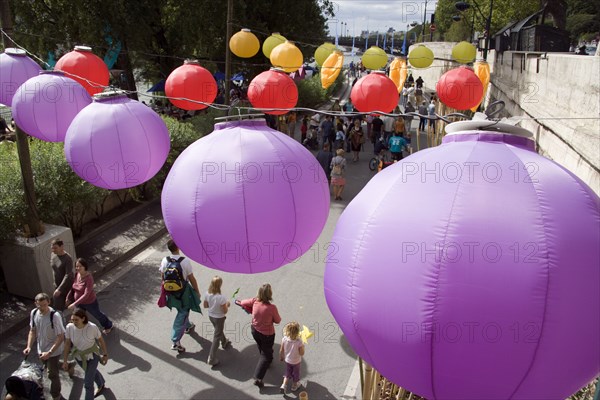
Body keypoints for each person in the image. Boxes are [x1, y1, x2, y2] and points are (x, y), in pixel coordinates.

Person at [159, 239, 201, 353]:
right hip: (183, 291)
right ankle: (175, 341)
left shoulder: (165, 260)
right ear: (178, 247)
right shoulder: (185, 261)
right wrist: (197, 291)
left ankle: (187, 325)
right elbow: (191, 278)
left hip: (170, 291)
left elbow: (162, 276)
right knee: (183, 311)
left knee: (180, 308)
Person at [23, 293, 66, 400]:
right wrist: (29, 346)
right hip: (41, 349)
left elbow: (60, 337)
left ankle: (56, 395)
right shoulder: (34, 313)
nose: (42, 308)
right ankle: (69, 366)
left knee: (52, 374)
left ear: (49, 302)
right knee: (50, 367)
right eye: (39, 305)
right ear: (35, 303)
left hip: (54, 350)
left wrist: (50, 352)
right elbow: (32, 331)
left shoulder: (54, 316)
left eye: (44, 305)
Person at [239, 284, 281, 389]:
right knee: (265, 355)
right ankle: (258, 378)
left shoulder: (255, 301)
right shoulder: (271, 308)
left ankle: (268, 358)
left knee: (262, 347)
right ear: (269, 294)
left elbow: (243, 302)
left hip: (255, 330)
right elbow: (278, 320)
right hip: (267, 334)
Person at [62, 308, 108, 400]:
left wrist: (105, 354)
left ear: (83, 318)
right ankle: (101, 383)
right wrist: (65, 360)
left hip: (92, 356)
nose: (74, 322)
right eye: (72, 319)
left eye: (76, 320)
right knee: (91, 372)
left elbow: (101, 341)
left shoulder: (92, 327)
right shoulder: (69, 327)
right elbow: (67, 344)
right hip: (79, 357)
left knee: (88, 383)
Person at [66, 258, 113, 335]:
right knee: (78, 317)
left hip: (89, 302)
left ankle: (108, 325)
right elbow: (73, 287)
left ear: (85, 267)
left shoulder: (89, 278)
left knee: (98, 315)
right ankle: (81, 331)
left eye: (80, 266)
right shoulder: (77, 274)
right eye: (76, 266)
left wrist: (74, 304)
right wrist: (68, 297)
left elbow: (86, 294)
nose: (78, 268)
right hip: (79, 303)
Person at [203, 276, 232, 366]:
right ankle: (211, 358)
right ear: (220, 285)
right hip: (219, 318)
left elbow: (205, 305)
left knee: (218, 331)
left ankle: (224, 342)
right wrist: (227, 304)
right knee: (216, 337)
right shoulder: (221, 297)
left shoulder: (207, 294)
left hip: (211, 316)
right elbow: (225, 311)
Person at [279, 321, 305, 394]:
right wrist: (303, 347)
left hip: (288, 360)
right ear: (297, 332)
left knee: (287, 373)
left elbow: (281, 349)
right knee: (296, 373)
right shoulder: (299, 341)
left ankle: (283, 385)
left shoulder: (284, 339)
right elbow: (301, 353)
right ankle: (294, 386)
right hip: (296, 361)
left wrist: (281, 356)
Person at [50, 239, 74, 313]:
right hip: (57, 286)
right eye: (52, 248)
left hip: (67, 288)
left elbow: (68, 274)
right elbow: (54, 269)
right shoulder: (53, 255)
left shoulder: (68, 259)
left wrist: (59, 289)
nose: (53, 250)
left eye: (55, 248)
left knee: (74, 308)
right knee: (57, 310)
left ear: (62, 247)